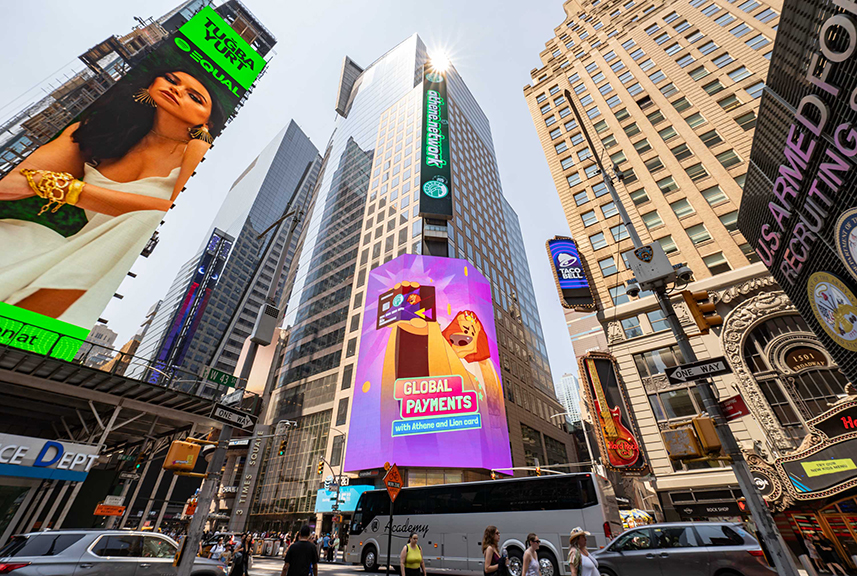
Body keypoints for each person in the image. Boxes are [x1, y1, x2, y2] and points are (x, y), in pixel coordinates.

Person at [0, 66, 224, 326]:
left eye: (194, 97)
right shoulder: (102, 131)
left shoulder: (197, 149)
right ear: (150, 85)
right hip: (60, 249)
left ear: (206, 123)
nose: (177, 90)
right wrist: (42, 181)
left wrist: (71, 190)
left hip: (103, 265)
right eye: (171, 80)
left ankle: (33, 320)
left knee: (144, 216)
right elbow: (13, 182)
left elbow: (170, 211)